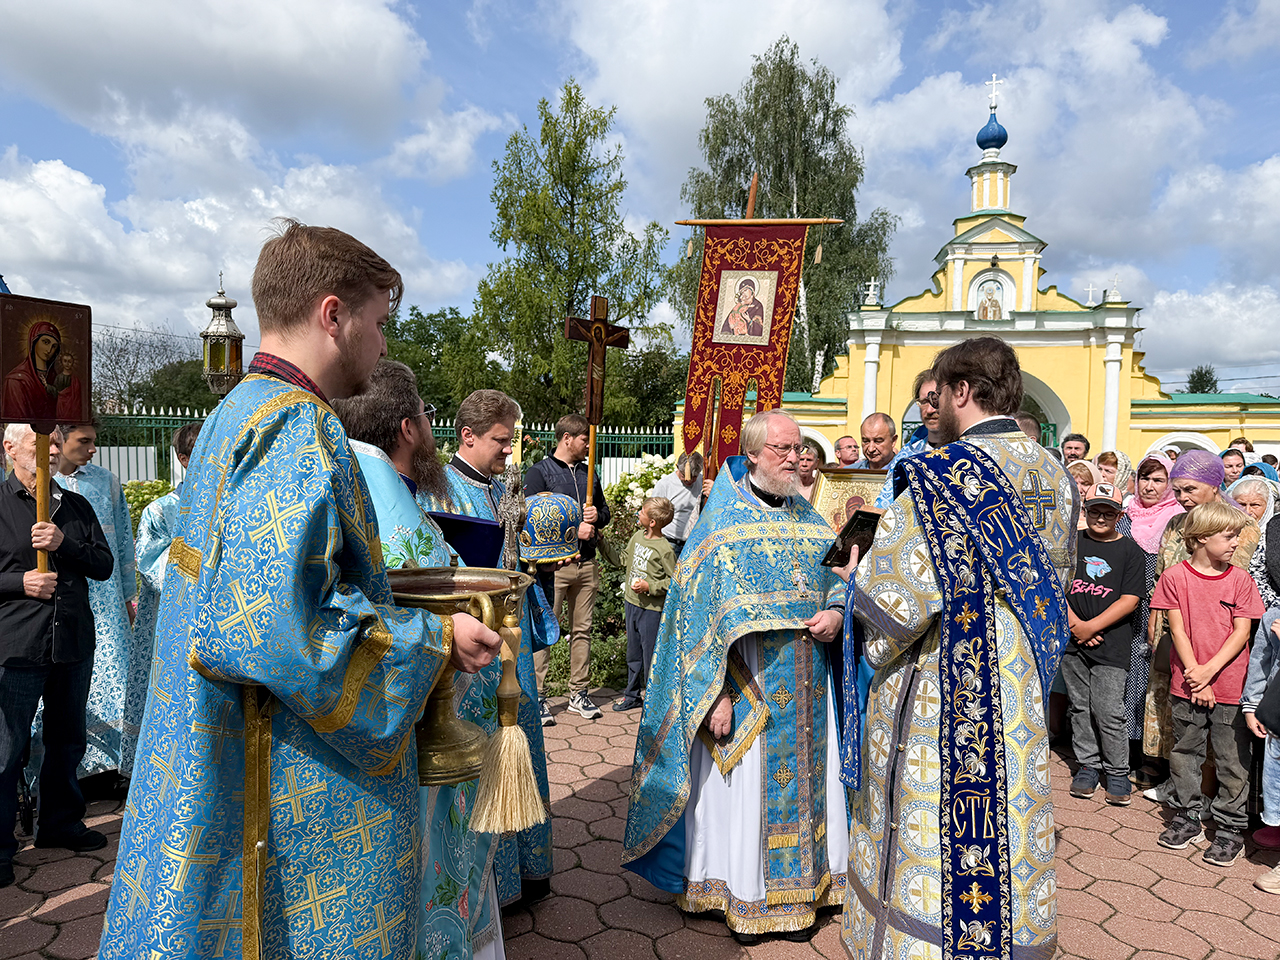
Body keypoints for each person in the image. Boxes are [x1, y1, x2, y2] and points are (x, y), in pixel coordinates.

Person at [100, 219, 501, 959]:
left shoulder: (232, 413)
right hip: (280, 780)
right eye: (378, 323)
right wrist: (436, 639)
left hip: (209, 746)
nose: (382, 343)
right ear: (332, 315)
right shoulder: (297, 426)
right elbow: (276, 630)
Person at [841, 336, 1074, 960]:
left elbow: (896, 606)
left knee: (936, 811)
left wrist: (852, 587)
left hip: (946, 679)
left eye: (938, 393)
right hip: (1020, 673)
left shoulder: (940, 474)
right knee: (1010, 806)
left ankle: (924, 944)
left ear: (961, 392)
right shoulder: (1056, 472)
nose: (932, 406)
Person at [623, 410, 848, 944]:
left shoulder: (810, 520)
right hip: (750, 688)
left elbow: (838, 577)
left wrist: (837, 612)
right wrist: (715, 694)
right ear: (752, 454)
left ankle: (803, 893)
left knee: (811, 789)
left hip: (808, 689)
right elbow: (692, 622)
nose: (794, 458)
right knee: (746, 799)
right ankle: (744, 896)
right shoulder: (719, 525)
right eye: (782, 449)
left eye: (798, 448)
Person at [333, 360, 507, 959]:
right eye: (428, 417)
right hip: (419, 747)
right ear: (409, 428)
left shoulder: (343, 482)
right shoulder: (394, 508)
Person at [417, 387, 554, 908]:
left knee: (520, 739)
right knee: (484, 750)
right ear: (468, 436)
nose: (509, 449)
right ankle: (484, 887)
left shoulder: (501, 487)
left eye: (511, 439)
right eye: (501, 440)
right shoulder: (438, 491)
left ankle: (523, 871)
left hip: (511, 636)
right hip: (473, 645)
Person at [0, 423, 114, 889]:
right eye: (38, 442)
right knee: (6, 749)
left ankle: (60, 823)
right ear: (10, 448)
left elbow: (104, 564)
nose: (50, 449)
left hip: (71, 641)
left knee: (67, 740)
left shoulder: (74, 505)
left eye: (53, 441)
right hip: (17, 646)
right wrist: (20, 582)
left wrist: (63, 544)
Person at [1141, 451, 1258, 804]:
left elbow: (1229, 580)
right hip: (1176, 628)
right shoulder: (1176, 523)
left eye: (1190, 489)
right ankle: (1181, 784)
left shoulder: (1238, 526)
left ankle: (1207, 792)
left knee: (1216, 721)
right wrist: (1155, 617)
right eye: (1177, 490)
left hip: (1215, 634)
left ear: (1214, 484)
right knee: (1177, 709)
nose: (1182, 497)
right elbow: (1163, 572)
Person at [1150, 501, 1263, 865]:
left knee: (1232, 759)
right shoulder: (1174, 578)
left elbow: (1241, 633)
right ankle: (1187, 815)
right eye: (1229, 536)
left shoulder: (1241, 580)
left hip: (1229, 686)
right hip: (1188, 682)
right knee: (1185, 751)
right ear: (1201, 538)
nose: (1235, 543)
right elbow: (1177, 629)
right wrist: (1196, 676)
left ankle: (1230, 828)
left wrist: (1208, 672)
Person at [36, 420, 136, 785]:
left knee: (112, 676)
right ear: (59, 440)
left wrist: (129, 595)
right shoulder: (40, 485)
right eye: (85, 440)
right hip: (60, 598)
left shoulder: (105, 481)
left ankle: (113, 768)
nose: (93, 448)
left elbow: (122, 540)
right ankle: (65, 775)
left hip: (105, 597)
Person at [122, 421, 202, 778]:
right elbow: (151, 564)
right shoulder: (160, 510)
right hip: (172, 621)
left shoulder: (233, 505)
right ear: (183, 459)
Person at [1063, 481, 1146, 805]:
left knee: (1109, 710)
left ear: (1119, 515)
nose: (1100, 517)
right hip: (1073, 640)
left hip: (1112, 642)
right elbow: (1057, 586)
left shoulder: (1130, 550)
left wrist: (1092, 627)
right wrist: (1076, 626)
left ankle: (1117, 770)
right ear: (1084, 511)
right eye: (1094, 510)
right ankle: (1088, 764)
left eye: (1108, 512)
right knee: (1080, 706)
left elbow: (1130, 599)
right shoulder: (1073, 543)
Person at [525, 413, 611, 721]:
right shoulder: (539, 472)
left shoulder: (589, 473)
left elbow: (605, 512)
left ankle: (579, 694)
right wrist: (575, 531)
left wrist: (596, 517)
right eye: (585, 440)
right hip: (553, 569)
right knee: (545, 631)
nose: (589, 446)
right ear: (567, 439)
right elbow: (532, 519)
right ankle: (537, 696)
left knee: (582, 631)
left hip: (586, 564)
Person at [1122, 455, 1184, 788]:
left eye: (1158, 480)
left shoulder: (1176, 519)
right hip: (1123, 608)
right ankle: (1126, 748)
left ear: (1169, 484)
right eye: (1144, 478)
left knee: (1151, 677)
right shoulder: (1126, 515)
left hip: (1156, 610)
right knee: (1126, 675)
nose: (1149, 486)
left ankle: (1154, 756)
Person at [613, 496, 676, 712]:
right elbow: (623, 558)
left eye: (642, 511)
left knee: (651, 657)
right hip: (631, 604)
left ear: (652, 522)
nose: (638, 513)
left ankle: (654, 702)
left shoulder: (664, 549)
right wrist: (601, 543)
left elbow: (675, 581)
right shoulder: (637, 537)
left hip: (651, 611)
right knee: (633, 654)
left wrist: (650, 586)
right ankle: (631, 695)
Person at [872, 371, 941, 508]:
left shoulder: (969, 449)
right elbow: (885, 507)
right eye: (924, 402)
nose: (930, 410)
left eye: (936, 400)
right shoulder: (906, 456)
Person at [2, 321, 84, 423]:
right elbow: (17, 421)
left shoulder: (55, 377)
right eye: (45, 342)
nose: (49, 350)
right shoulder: (17, 380)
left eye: (54, 346)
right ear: (34, 341)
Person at [651, 451, 703, 549]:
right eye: (684, 475)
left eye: (694, 477)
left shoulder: (703, 481)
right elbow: (653, 513)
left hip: (694, 544)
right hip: (670, 542)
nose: (689, 480)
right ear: (677, 467)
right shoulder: (664, 484)